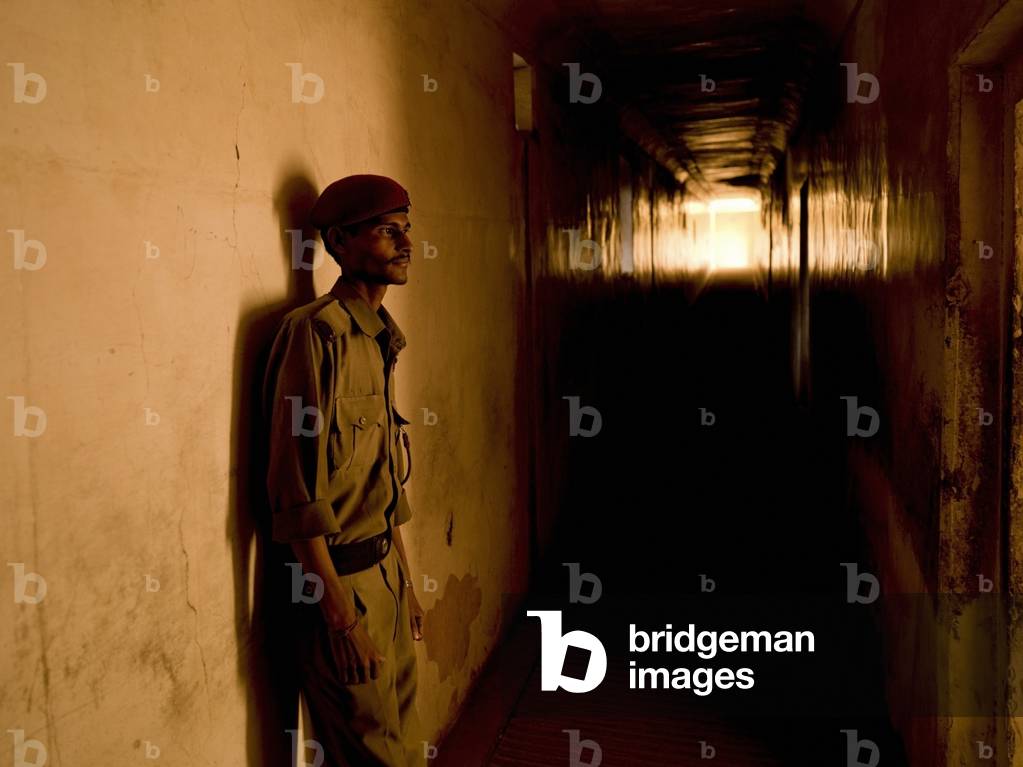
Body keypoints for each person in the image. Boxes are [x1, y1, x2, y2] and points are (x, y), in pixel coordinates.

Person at [263, 174, 426, 766]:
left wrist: (405, 582)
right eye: (387, 232)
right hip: (338, 590)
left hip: (384, 576)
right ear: (338, 241)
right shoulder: (316, 334)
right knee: (370, 756)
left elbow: (380, 479)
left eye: (406, 230)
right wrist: (340, 618)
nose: (405, 244)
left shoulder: (381, 338)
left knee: (406, 748)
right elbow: (296, 491)